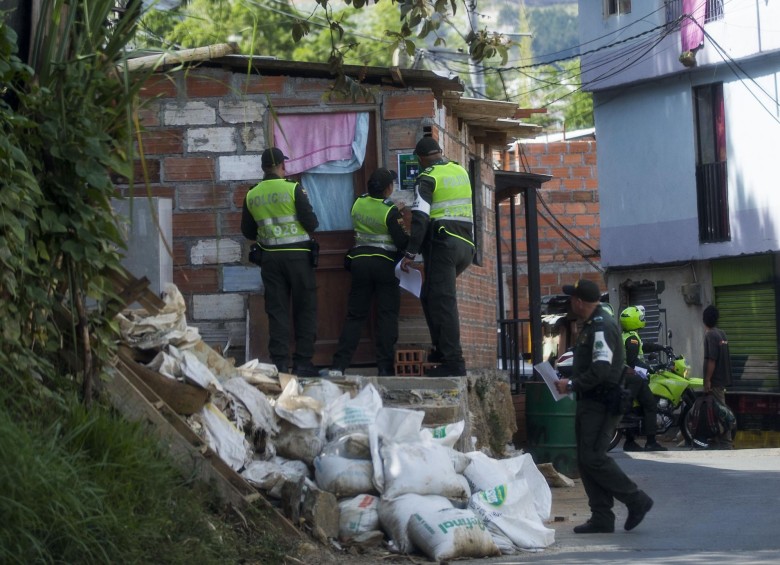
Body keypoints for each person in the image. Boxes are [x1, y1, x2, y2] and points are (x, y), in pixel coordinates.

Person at [555, 279, 654, 534]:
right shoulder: (592, 324)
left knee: (593, 458)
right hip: (591, 402)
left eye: (572, 299)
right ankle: (601, 516)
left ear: (579, 301)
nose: (570, 303)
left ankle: (636, 500)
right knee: (586, 459)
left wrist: (572, 385)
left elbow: (600, 369)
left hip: (601, 402)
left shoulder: (601, 326)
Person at [399, 136, 474, 377]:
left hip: (444, 246)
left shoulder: (426, 177)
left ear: (420, 159)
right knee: (431, 295)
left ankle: (454, 361)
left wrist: (410, 252)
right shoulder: (460, 170)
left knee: (443, 302)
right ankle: (441, 352)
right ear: (440, 152)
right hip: (465, 246)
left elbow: (420, 218)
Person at [241, 147, 320, 377]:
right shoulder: (293, 188)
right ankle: (303, 363)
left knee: (277, 311)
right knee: (305, 308)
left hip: (270, 259)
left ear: (264, 167)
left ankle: (280, 365)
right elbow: (312, 223)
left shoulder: (252, 194)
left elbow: (247, 231)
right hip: (298, 257)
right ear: (279, 166)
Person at [324, 168, 409, 377]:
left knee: (355, 316)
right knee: (386, 316)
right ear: (389, 189)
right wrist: (397, 214)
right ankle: (384, 368)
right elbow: (402, 242)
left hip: (360, 263)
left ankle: (339, 366)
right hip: (384, 266)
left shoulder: (358, 202)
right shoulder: (390, 210)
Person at [619, 305, 668, 452]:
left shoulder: (627, 336)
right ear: (635, 320)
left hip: (624, 376)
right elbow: (633, 360)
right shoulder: (632, 339)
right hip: (633, 378)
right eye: (640, 317)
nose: (643, 319)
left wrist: (661, 347)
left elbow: (643, 346)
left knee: (635, 407)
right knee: (650, 405)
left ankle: (630, 441)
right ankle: (651, 441)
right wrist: (650, 368)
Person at [702, 304, 733, 449]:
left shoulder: (710, 335)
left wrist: (707, 380)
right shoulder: (722, 334)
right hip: (723, 379)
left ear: (704, 320)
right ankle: (715, 441)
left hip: (715, 380)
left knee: (720, 411)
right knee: (718, 410)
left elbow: (711, 360)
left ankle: (726, 442)